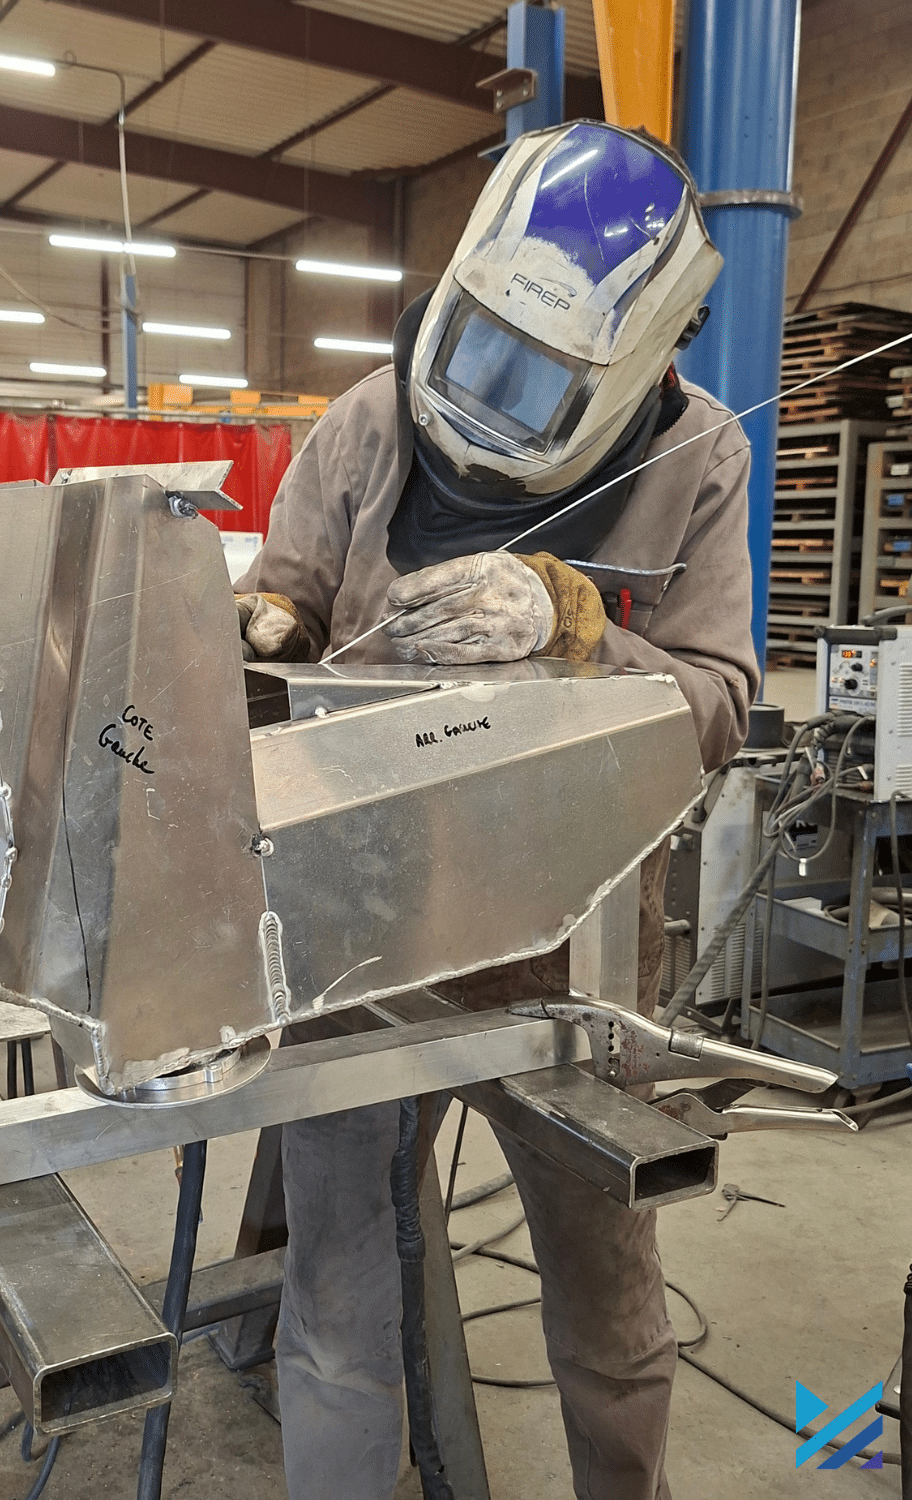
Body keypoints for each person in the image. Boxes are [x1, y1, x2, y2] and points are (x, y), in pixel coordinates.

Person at [235, 119, 761, 1500]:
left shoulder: (699, 456)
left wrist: (580, 626)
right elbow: (287, 595)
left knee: (607, 1293)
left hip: (572, 950)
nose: (493, 398)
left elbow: (718, 706)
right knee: (340, 1290)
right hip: (355, 928)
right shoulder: (371, 418)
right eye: (482, 350)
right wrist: (266, 623)